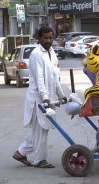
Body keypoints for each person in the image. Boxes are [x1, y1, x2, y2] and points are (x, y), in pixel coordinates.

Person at [12, 26, 67, 168]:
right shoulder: (36, 54)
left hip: (48, 97)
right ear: (39, 38)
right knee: (41, 130)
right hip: (38, 99)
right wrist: (45, 98)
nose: (48, 40)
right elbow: (39, 78)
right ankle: (39, 160)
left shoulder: (51, 52)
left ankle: (20, 152)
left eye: (50, 37)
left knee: (42, 130)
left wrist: (61, 95)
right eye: (45, 38)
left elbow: (55, 76)